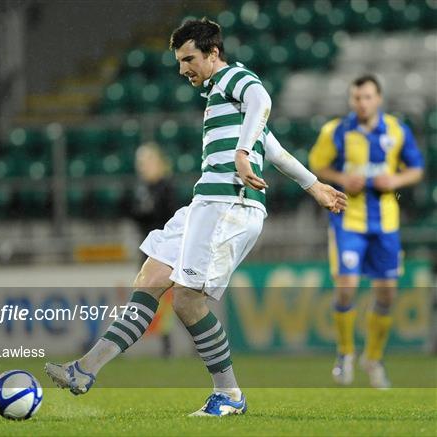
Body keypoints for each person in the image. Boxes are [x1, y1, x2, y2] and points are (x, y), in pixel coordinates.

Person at [46, 18, 347, 416]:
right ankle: (85, 369)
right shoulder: (223, 99)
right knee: (150, 279)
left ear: (213, 54)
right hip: (203, 203)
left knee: (187, 300)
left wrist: (240, 154)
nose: (182, 68)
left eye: (189, 59)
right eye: (178, 60)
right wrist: (314, 186)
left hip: (229, 206)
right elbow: (272, 148)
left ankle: (230, 395)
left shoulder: (235, 78)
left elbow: (262, 100)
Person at [309, 74, 424, 389]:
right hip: (348, 220)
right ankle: (345, 353)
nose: (362, 103)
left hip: (385, 222)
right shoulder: (335, 131)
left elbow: (416, 168)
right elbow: (317, 165)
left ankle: (373, 359)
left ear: (379, 99)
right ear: (351, 100)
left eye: (368, 97)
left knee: (387, 293)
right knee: (346, 287)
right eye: (357, 98)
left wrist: (396, 181)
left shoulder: (397, 131)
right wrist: (341, 179)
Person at [130, 142, 177, 357]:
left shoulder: (166, 187)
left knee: (175, 298)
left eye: (147, 162)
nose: (143, 167)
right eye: (140, 163)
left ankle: (179, 343)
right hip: (148, 248)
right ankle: (165, 344)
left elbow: (169, 217)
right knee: (157, 299)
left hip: (166, 250)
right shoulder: (142, 189)